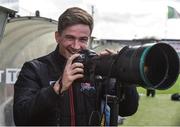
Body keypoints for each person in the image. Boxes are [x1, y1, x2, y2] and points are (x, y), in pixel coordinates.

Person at [13, 7, 139, 126]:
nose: (76, 46)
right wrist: (56, 89)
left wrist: (122, 73)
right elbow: (20, 118)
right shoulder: (35, 69)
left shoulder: (96, 67)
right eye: (70, 38)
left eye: (83, 39)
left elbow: (127, 110)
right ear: (58, 37)